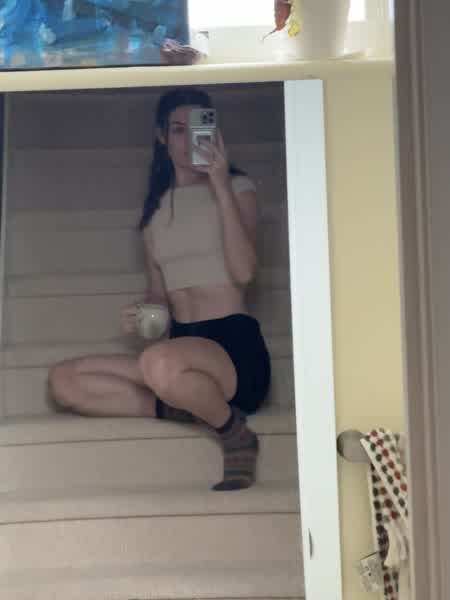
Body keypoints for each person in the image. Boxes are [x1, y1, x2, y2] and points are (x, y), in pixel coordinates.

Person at [48, 87, 271, 491]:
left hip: (233, 349)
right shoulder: (154, 214)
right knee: (64, 380)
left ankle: (235, 433)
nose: (187, 141)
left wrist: (219, 183)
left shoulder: (238, 189)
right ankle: (192, 403)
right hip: (180, 350)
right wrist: (142, 315)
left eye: (197, 128)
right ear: (162, 137)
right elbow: (159, 298)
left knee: (157, 363)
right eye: (178, 130)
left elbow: (244, 273)